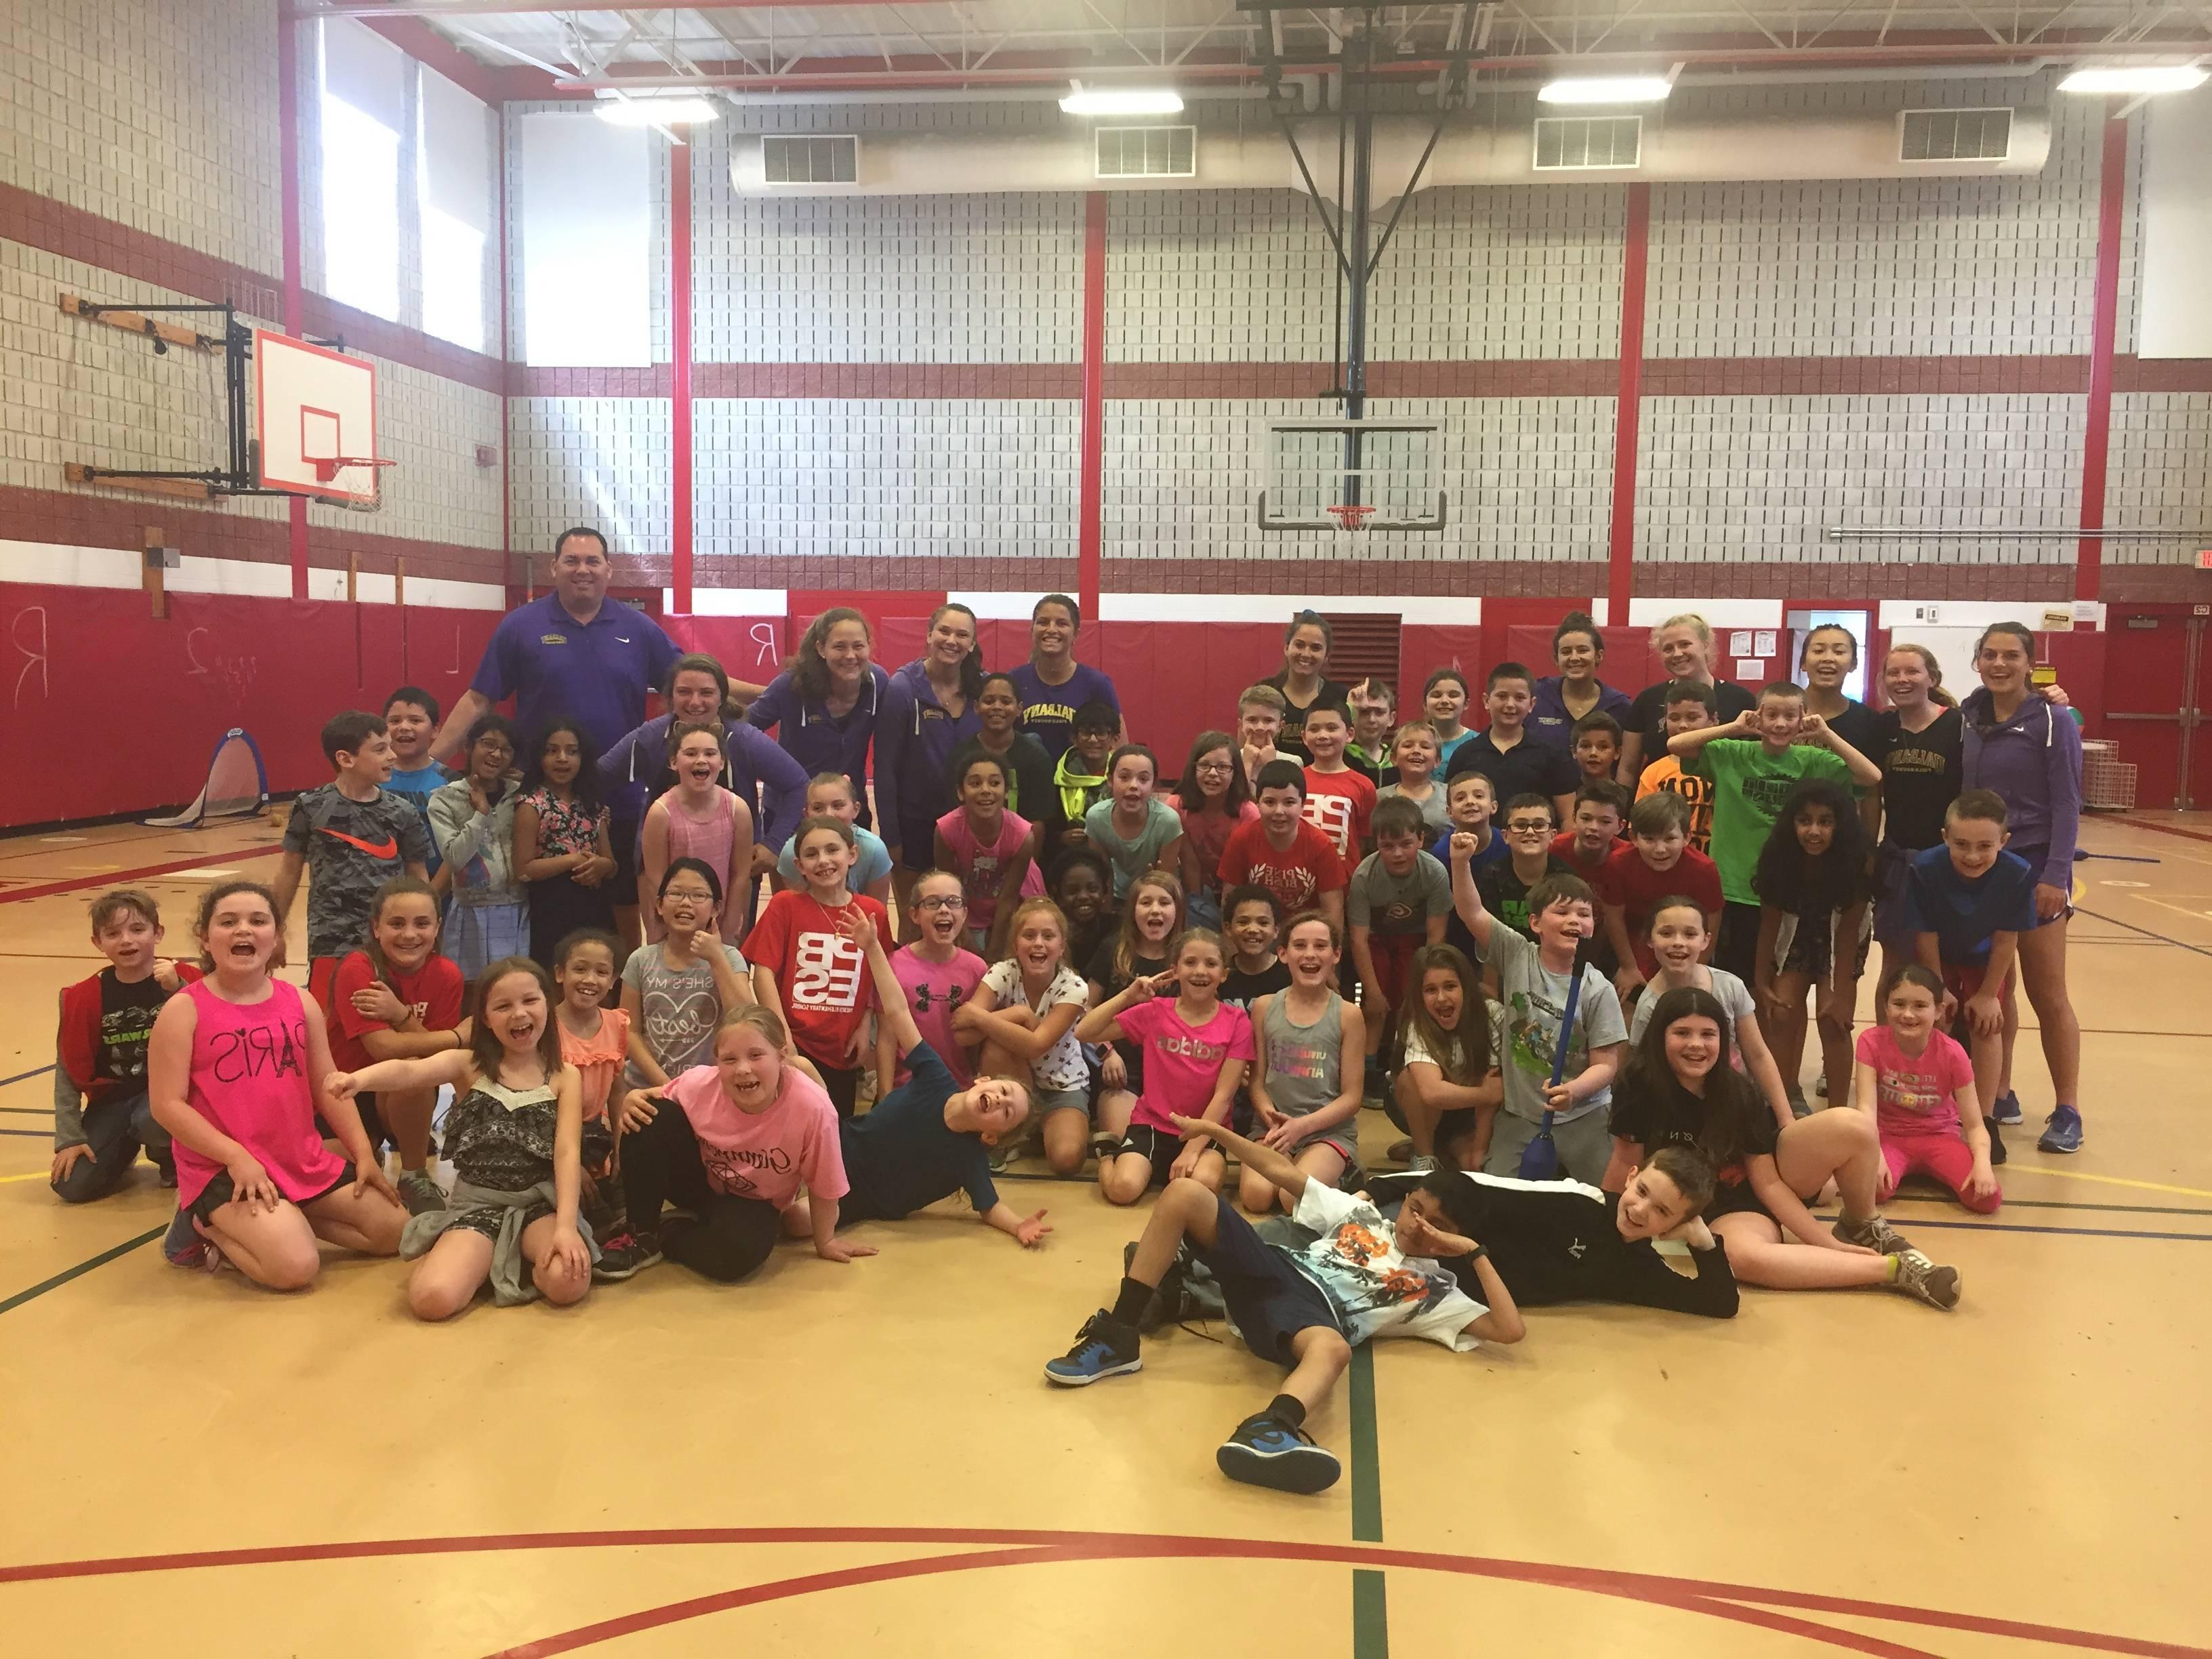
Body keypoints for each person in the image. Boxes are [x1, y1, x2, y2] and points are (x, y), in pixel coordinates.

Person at [1042, 1111, 1523, 1495]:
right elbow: (1280, 1171)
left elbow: (1509, 1330)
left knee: (1334, 1350)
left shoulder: (1434, 1290)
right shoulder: (1363, 1213)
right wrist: (1214, 1132)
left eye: (1435, 1224)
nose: (1417, 1224)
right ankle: (1119, 1336)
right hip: (1275, 1270)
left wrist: (1473, 1254)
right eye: (1416, 1208)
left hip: (1311, 1321)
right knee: (1186, 1193)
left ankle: (1271, 1429)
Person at [1603, 987, 1958, 1309]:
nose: (1696, 1044)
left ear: (1722, 1042)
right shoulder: (1638, 1085)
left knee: (1854, 1124)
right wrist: (1601, 1227)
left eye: (1708, 1034)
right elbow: (1625, 1163)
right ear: (1660, 1036)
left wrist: (1826, 1242)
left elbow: (1768, 1184)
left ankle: (1860, 1224)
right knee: (1743, 1259)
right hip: (1687, 1206)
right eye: (1682, 1033)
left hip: (1739, 1201)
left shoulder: (1739, 1093)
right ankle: (1891, 1270)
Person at [148, 880, 405, 1286]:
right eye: (227, 922)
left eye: (258, 920)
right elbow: (167, 1105)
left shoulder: (299, 1001)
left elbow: (327, 1083)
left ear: (277, 936)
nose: (243, 930)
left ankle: (285, 1218)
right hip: (225, 1167)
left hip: (298, 1159)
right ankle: (201, 1221)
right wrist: (236, 1157)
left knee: (395, 1231)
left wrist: (364, 1154)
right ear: (205, 936)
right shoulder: (184, 1010)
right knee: (295, 1268)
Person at [432, 529, 681, 945]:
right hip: (538, 802)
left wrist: (771, 693)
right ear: (554, 567)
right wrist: (430, 764)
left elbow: (696, 684)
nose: (582, 569)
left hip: (617, 798)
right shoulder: (520, 626)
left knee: (621, 907)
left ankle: (623, 1001)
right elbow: (479, 699)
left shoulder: (638, 629)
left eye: (592, 561)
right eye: (571, 560)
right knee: (539, 910)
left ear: (608, 569)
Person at [325, 957, 595, 1317]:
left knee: (568, 1283)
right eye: (503, 1006)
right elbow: (409, 1071)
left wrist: (565, 1227)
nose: (519, 1014)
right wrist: (359, 1080)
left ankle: (507, 1257)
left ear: (548, 1003)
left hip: (539, 1205)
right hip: (478, 1205)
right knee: (431, 1300)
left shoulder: (565, 1077)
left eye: (530, 1001)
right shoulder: (468, 1064)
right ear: (484, 1018)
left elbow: (566, 1152)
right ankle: (468, 1253)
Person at [836, 909, 1050, 1246]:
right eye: (1004, 1090)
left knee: (800, 1220)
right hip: (837, 1146)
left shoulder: (968, 1159)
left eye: (1006, 1112)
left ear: (991, 1137)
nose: (1000, 1100)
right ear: (983, 1081)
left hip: (861, 1199)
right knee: (802, 1071)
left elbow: (990, 1208)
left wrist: (1020, 1226)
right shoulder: (936, 1077)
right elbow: (897, 1012)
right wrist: (873, 948)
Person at [614, 1004, 867, 1282]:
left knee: (737, 1256)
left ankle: (669, 1233)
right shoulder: (700, 1083)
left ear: (782, 1055)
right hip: (698, 1182)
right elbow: (655, 1103)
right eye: (730, 1059)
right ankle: (640, 1233)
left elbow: (824, 1186)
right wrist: (632, 1098)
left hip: (754, 1203)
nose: (743, 1069)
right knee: (648, 1115)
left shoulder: (814, 1109)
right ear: (717, 1062)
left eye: (756, 1055)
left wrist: (826, 1241)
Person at [1961, 621, 2085, 1154]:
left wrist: (2057, 875)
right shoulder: (1966, 715)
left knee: (2046, 991)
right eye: (1989, 654)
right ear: (1978, 661)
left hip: (2034, 865)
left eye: (2011, 655)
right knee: (1997, 985)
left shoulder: (2055, 721)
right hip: (1979, 866)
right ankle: (2002, 1092)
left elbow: (2066, 801)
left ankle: (2068, 1108)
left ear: (2030, 663)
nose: (1999, 664)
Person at [1666, 680, 1879, 985]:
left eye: (1791, 716)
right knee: (1728, 980)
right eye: (1772, 715)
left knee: (1771, 986)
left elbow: (1871, 776)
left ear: (1804, 717)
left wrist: (1825, 734)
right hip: (1732, 887)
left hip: (1786, 891)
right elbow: (1676, 745)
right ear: (1758, 715)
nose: (1780, 724)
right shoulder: (1732, 752)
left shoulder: (1815, 761)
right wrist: (1734, 727)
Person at [1374, 1146, 1738, 1318]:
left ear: (1674, 1226)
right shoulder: (1578, 1202)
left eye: (1662, 1212)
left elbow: (1718, 1303)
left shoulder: (1637, 1268)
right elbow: (1475, 1184)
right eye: (1642, 1191)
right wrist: (1377, 1189)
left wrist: (1701, 1240)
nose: (1640, 1211)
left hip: (1438, 1293)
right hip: (1410, 1231)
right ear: (1631, 1177)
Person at [1447, 841, 1626, 1185]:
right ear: (1535, 923)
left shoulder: (1598, 988)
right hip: (1522, 1116)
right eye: (1562, 912)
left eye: (1584, 914)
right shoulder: (1517, 954)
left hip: (1584, 1115)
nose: (1574, 919)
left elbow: (1606, 1064)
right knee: (1498, 1197)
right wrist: (1460, 861)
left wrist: (1574, 1091)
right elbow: (1472, 912)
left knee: (1610, 1200)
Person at [599, 653, 807, 896]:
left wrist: (774, 844)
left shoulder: (744, 740)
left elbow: (799, 784)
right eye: (684, 692)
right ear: (670, 697)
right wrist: (596, 817)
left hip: (734, 869)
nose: (695, 702)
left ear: (722, 697)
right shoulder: (651, 738)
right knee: (665, 936)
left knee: (729, 935)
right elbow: (597, 779)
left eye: (706, 693)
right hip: (662, 870)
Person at [323, 876, 466, 1216]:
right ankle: (371, 1146)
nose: (410, 935)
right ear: (376, 928)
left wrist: (401, 1016)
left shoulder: (447, 974)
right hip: (345, 1091)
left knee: (415, 1071)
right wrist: (460, 1038)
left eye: (422, 924)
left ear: (437, 927)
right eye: (397, 924)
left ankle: (414, 1174)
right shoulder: (359, 968)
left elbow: (436, 1059)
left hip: (400, 1094)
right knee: (325, 1168)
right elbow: (382, 1049)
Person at [1079, 928, 1254, 1204]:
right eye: (1190, 963)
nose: (1200, 971)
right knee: (1122, 1189)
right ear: (1175, 971)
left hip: (1207, 1128)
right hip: (1153, 1125)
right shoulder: (1156, 1011)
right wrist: (1127, 996)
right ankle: (1109, 1155)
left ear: (1223, 974)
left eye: (1211, 964)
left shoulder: (1237, 1021)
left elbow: (1224, 1096)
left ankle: (1182, 1162)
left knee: (1201, 1189)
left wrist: (1191, 1151)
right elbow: (1084, 1032)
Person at [273, 710, 432, 1016]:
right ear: (346, 759)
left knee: (385, 1020)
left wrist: (427, 931)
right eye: (380, 749)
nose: (392, 755)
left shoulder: (402, 812)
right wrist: (274, 930)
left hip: (391, 942)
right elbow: (289, 872)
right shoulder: (310, 806)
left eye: (390, 746)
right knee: (329, 1025)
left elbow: (418, 878)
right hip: (330, 941)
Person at [1908, 790, 2036, 1160]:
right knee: (1937, 1020)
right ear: (1945, 837)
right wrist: (1939, 989)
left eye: (1985, 846)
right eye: (1961, 844)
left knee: (1987, 1022)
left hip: (1985, 958)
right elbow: (1925, 932)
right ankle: (1936, 1112)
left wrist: (1987, 995)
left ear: (2004, 842)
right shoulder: (1925, 868)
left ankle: (1983, 1119)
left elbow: (2005, 938)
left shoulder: (2017, 874)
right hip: (1940, 955)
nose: (1973, 856)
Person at [50, 890, 192, 1203]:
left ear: (158, 933)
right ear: (97, 943)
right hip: (114, 1100)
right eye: (113, 934)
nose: (126, 940)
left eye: (138, 930)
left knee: (151, 1119)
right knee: (72, 1187)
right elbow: (67, 1072)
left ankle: (168, 1157)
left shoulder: (189, 981)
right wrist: (69, 1138)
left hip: (173, 1096)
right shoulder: (82, 997)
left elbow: (216, 1030)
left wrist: (179, 990)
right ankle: (122, 1150)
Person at [748, 816, 891, 1119]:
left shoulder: (872, 911)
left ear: (851, 855)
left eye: (832, 850)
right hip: (793, 1043)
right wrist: (782, 1038)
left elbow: (878, 977)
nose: (823, 861)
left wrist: (865, 1026)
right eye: (812, 855)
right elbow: (763, 973)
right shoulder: (785, 905)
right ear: (799, 865)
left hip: (841, 1048)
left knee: (834, 1129)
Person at [1750, 780, 1870, 1118]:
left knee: (1833, 1020)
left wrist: (1839, 992)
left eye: (1825, 822)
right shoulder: (1778, 858)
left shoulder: (1857, 861)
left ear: (1840, 825)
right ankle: (1780, 1106)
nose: (1813, 831)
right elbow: (1770, 925)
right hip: (1797, 936)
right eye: (1805, 821)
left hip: (1842, 941)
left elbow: (1847, 935)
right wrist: (1762, 979)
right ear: (1792, 823)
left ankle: (1839, 1114)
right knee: (1781, 1011)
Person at [1625, 899, 1797, 1131]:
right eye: (1666, 933)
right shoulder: (1648, 1006)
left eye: (1689, 934)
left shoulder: (1730, 987)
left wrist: (1785, 1119)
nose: (1678, 943)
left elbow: (1757, 1054)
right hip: (1682, 1117)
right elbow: (1643, 1072)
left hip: (1738, 1107)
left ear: (1706, 940)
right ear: (1649, 940)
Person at [958, 896, 1094, 1176]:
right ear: (1016, 944)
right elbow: (961, 1034)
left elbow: (1036, 1045)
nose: (1038, 943)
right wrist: (1018, 1014)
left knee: (1067, 1161)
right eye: (1029, 935)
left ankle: (1032, 1129)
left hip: (1062, 1085)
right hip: (1012, 1085)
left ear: (1061, 946)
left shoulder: (1074, 987)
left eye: (1048, 936)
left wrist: (980, 1018)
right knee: (996, 1048)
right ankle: (1013, 1131)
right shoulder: (1002, 973)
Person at [1243, 913, 1367, 1212]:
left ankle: (1346, 1177)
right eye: (1300, 945)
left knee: (1293, 1200)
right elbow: (1257, 1082)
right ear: (1283, 954)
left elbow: (1352, 1098)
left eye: (1321, 946)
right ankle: (1312, 1173)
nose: (1310, 954)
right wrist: (1270, 1116)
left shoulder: (1348, 1015)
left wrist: (1301, 1127)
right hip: (1272, 1129)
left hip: (1326, 1133)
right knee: (1256, 1198)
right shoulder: (1263, 1007)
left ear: (1336, 955)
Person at [1858, 964, 1999, 1215]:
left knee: (1986, 1198)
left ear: (1939, 1011)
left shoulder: (1953, 1053)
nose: (1908, 1015)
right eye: (1899, 1004)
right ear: (1886, 1006)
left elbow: (1975, 1124)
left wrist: (1983, 1164)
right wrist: (1875, 1154)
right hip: (1888, 1136)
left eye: (1920, 1006)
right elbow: (1866, 1109)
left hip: (1939, 1137)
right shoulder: (1870, 1043)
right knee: (1869, 1190)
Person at [878, 601, 985, 916]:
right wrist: (892, 837)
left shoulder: (982, 689)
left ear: (972, 644)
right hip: (914, 826)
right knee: (917, 918)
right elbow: (885, 768)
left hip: (970, 826)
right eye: (944, 631)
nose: (952, 640)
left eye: (962, 635)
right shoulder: (902, 689)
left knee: (965, 917)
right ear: (929, 635)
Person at [1869, 642, 1962, 996]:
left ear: (1932, 678)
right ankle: (1885, 1049)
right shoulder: (1883, 727)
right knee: (1895, 965)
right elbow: (1873, 795)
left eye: (1912, 672)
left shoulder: (1958, 725)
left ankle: (1942, 1048)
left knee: (1941, 962)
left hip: (1948, 861)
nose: (1902, 679)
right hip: (1898, 858)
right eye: (1894, 673)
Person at [745, 607, 891, 827]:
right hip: (792, 809)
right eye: (839, 647)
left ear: (869, 647)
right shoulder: (791, 685)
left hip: (848, 808)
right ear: (821, 649)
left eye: (858, 646)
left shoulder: (878, 682)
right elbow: (746, 730)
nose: (850, 656)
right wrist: (775, 771)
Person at [618, 858, 753, 1092]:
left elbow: (747, 1021)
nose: (686, 903)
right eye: (676, 894)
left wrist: (716, 958)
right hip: (649, 1088)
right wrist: (668, 1087)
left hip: (711, 1089)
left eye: (699, 896)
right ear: (659, 905)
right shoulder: (640, 960)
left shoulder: (729, 958)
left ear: (716, 909)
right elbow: (630, 1032)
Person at [548, 927, 638, 1273]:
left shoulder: (617, 1023)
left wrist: (620, 1147)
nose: (590, 980)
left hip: (594, 1134)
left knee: (625, 1202)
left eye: (602, 972)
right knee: (582, 1207)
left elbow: (617, 1091)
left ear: (614, 979)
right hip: (552, 1136)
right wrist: (571, 1168)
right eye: (580, 969)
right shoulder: (546, 1026)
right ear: (560, 974)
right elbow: (540, 1104)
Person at [1347, 797, 1450, 1087]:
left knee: (1410, 1002)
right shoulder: (1365, 876)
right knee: (1376, 1004)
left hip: (1414, 941)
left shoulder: (1434, 872)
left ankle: (1402, 1062)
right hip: (1376, 941)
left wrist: (1422, 986)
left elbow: (1436, 937)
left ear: (1421, 839)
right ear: (1376, 843)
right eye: (1387, 846)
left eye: (1406, 844)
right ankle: (1368, 1071)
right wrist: (1373, 991)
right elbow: (1358, 938)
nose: (1397, 854)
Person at [428, 713, 527, 983]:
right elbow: (455, 858)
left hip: (518, 908)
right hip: (471, 910)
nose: (496, 754)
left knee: (514, 984)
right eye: (488, 744)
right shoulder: (444, 799)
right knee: (469, 989)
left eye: (506, 750)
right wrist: (480, 815)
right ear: (468, 747)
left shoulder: (522, 795)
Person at [1386, 943, 1502, 1172]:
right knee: (1412, 1078)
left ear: (1466, 988)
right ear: (1419, 995)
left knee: (1472, 1165)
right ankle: (1424, 1154)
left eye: (1450, 986)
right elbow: (1431, 1092)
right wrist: (1486, 1093)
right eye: (1430, 990)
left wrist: (1479, 1151)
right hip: (1416, 1107)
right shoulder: (1416, 1023)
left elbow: (1492, 1085)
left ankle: (1444, 1148)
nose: (1441, 998)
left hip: (1470, 1114)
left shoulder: (1492, 1015)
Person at [638, 721, 754, 947]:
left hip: (718, 926)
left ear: (721, 762)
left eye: (710, 753)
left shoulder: (737, 810)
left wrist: (730, 926)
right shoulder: (660, 813)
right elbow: (656, 880)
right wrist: (665, 929)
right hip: (674, 927)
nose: (701, 760)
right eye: (691, 753)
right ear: (674, 762)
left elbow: (741, 875)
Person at [514, 718, 618, 968]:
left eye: (572, 752)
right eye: (552, 751)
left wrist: (601, 865)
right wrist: (573, 860)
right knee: (555, 975)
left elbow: (612, 864)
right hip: (551, 907)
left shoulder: (593, 804)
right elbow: (523, 869)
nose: (562, 758)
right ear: (540, 757)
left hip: (594, 906)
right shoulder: (532, 805)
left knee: (597, 971)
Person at [1600, 792, 1722, 1005]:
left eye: (1670, 838)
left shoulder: (1704, 869)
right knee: (1626, 998)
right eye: (1649, 839)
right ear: (1633, 838)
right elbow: (1613, 917)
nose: (1660, 849)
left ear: (1686, 837)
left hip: (1684, 940)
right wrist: (1628, 966)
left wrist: (1694, 970)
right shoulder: (1618, 863)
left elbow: (1711, 925)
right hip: (1633, 939)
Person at [878, 869, 987, 1091]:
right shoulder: (893, 966)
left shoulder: (977, 969)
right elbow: (887, 1037)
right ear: (915, 915)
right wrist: (885, 1100)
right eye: (933, 903)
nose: (944, 909)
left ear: (965, 914)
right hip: (907, 1090)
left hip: (960, 1091)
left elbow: (981, 1039)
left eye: (953, 902)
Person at [1619, 613, 1757, 787]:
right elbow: (1628, 767)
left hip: (1721, 805)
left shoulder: (1741, 700)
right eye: (1668, 649)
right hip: (1659, 806)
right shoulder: (1648, 700)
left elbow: (1755, 764)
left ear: (1705, 645)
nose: (1677, 654)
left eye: (1685, 645)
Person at [1217, 760, 1350, 933]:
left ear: (1303, 804)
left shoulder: (1321, 846)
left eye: (1289, 803)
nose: (1279, 811)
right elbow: (1228, 908)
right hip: (1256, 932)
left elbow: (1333, 916)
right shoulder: (1240, 840)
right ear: (1257, 803)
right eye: (1270, 802)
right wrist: (1232, 957)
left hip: (1304, 935)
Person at [1443, 662, 1578, 827]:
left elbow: (1567, 818)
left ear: (1532, 704)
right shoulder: (1464, 755)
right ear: (1486, 701)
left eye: (1520, 698)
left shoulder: (1552, 754)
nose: (1510, 705)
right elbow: (1452, 814)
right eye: (1502, 696)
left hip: (1536, 849)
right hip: (1478, 849)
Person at [936, 751, 1044, 957]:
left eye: (994, 783)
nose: (986, 790)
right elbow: (949, 894)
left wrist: (993, 954)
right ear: (961, 792)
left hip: (1012, 908)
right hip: (966, 908)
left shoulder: (1023, 835)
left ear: (1006, 792)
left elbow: (1008, 900)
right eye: (975, 784)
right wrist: (972, 949)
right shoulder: (946, 830)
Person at [1008, 594, 1121, 760]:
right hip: (1026, 783)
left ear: (1076, 633)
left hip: (1079, 783)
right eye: (1043, 622)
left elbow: (1119, 749)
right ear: (1032, 631)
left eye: (1062, 623)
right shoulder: (1014, 681)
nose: (1051, 629)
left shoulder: (1097, 684)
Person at [1798, 623, 1883, 842]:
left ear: (1853, 664)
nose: (1828, 658)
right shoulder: (1779, 715)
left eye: (1839, 651)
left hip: (1842, 840)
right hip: (1784, 834)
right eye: (1818, 650)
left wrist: (1869, 849)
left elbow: (1871, 794)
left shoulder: (1868, 721)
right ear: (1803, 663)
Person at [1170, 729, 1256, 931]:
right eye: (1204, 765)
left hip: (1239, 891)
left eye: (1223, 767)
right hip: (1196, 891)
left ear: (1235, 772)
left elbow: (1243, 871)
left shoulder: (1248, 813)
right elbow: (1191, 866)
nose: (1212, 774)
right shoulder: (1176, 807)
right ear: (1193, 769)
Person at [949, 671, 1054, 823]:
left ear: (1020, 709)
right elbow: (953, 818)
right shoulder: (960, 756)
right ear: (976, 707)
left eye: (1006, 702)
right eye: (989, 701)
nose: (997, 707)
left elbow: (1037, 823)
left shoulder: (1036, 757)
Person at [1085, 743, 1184, 903]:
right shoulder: (1096, 818)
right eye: (1124, 777)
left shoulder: (1168, 821)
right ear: (1110, 780)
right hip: (1117, 896)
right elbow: (1103, 875)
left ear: (1153, 786)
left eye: (1143, 779)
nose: (1133, 785)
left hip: (1157, 896)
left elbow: (1167, 882)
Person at [1469, 795, 1569, 954]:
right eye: (1520, 825)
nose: (1530, 831)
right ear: (1505, 836)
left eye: (1539, 825)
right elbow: (1488, 937)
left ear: (1553, 835)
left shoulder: (1566, 878)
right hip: (1506, 958)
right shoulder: (1492, 876)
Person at [776, 772, 893, 905]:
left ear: (856, 809)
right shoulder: (791, 853)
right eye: (818, 808)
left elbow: (877, 913)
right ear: (806, 814)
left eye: (838, 806)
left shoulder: (874, 849)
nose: (829, 815)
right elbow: (791, 912)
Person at [1632, 680, 1720, 855]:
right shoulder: (1654, 772)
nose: (1683, 725)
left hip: (1714, 858)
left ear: (1713, 720)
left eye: (1693, 718)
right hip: (1667, 857)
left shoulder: (1725, 766)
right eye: (1674, 718)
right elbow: (1642, 825)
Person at [1530, 611, 1634, 752]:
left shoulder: (1619, 706)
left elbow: (1628, 763)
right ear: (1556, 659)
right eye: (1566, 652)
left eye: (1582, 650)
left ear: (1598, 656)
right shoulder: (1537, 695)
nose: (1574, 658)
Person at [1264, 609, 1352, 763]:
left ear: (1326, 656)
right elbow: (1245, 749)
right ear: (1286, 648)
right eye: (1299, 645)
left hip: (1325, 785)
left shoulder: (1340, 697)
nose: (1306, 654)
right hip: (1273, 784)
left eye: (1316, 648)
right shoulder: (1265, 692)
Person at [381, 687, 449, 876]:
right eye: (395, 721)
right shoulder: (371, 780)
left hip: (435, 893)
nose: (404, 727)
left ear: (435, 730)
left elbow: (458, 852)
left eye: (415, 720)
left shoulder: (450, 782)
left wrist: (433, 893)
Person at [1297, 704, 1376, 861]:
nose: (1323, 735)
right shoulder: (1295, 779)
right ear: (1304, 737)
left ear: (1349, 734)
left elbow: (1365, 841)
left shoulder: (1364, 785)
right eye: (1314, 729)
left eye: (1332, 728)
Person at [1046, 699, 1119, 855]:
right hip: (1068, 856)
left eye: (1101, 733)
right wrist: (1061, 838)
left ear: (1114, 739)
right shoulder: (1057, 776)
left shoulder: (1123, 777)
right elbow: (1044, 826)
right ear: (1074, 739)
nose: (1093, 740)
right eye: (1086, 732)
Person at [1221, 885, 1292, 1008]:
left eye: (1263, 923)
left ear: (1276, 930)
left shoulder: (1291, 975)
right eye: (1243, 922)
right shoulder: (1220, 976)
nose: (1253, 930)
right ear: (1228, 928)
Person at [1047, 846, 1113, 976]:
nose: (1083, 896)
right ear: (1057, 895)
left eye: (1092, 889)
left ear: (1104, 891)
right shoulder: (1049, 937)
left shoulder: (1116, 931)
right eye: (1072, 891)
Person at [1376, 721, 1448, 834]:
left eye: (1425, 747)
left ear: (1437, 760)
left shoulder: (1450, 795)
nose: (1416, 751)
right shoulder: (1379, 798)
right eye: (1408, 746)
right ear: (1393, 758)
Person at [1432, 771, 1506, 874]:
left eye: (1479, 796)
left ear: (1493, 807)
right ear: (1450, 812)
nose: (1470, 801)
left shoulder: (1506, 843)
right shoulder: (1442, 852)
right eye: (1460, 798)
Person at [1343, 678, 1399, 789]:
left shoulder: (1398, 758)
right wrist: (1348, 708)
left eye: (1379, 712)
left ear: (1391, 719)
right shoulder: (1339, 754)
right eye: (1364, 712)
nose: (1372, 719)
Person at [1236, 683, 1289, 793]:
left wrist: (1271, 766)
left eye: (1268, 720)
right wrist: (1247, 765)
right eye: (1252, 720)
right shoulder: (1231, 760)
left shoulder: (1292, 762)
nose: (1260, 727)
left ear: (1280, 726)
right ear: (1241, 725)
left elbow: (1281, 800)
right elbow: (1233, 801)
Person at [1422, 668, 1475, 768]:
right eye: (1437, 695)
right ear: (1425, 705)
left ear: (1466, 704)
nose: (1444, 701)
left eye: (1453, 695)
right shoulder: (1412, 743)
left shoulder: (1479, 743)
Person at [1570, 712, 1624, 785]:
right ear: (1574, 751)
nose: (1593, 753)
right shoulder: (1562, 794)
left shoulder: (1629, 796)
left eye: (1603, 747)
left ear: (1617, 752)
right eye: (1585, 746)